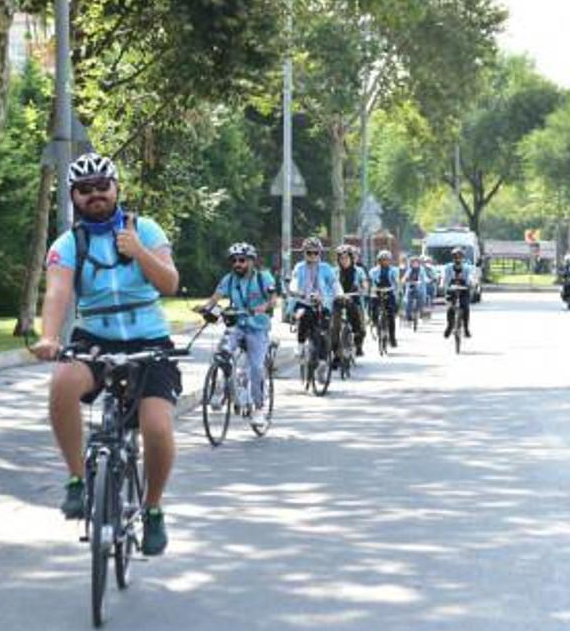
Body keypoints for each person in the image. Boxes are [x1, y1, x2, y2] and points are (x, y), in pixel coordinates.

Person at [29, 152, 180, 556]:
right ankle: (78, 479)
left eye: (102, 186)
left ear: (116, 189)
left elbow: (170, 283)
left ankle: (152, 510)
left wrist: (139, 251)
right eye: (85, 189)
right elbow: (58, 292)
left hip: (150, 341)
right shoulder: (68, 243)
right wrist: (48, 337)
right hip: (94, 339)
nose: (95, 194)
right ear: (74, 196)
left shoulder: (145, 229)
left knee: (156, 427)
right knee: (62, 383)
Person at [198, 243, 276, 428]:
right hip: (237, 325)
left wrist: (262, 308)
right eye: (234, 260)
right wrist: (206, 309)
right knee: (221, 352)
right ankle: (220, 389)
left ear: (251, 261)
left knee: (256, 367)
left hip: (257, 328)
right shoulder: (229, 279)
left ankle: (258, 409)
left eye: (242, 260)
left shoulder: (263, 277)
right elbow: (215, 299)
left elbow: (273, 299)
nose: (237, 264)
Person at [290, 237, 340, 356]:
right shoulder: (299, 267)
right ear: (304, 253)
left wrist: (338, 294)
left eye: (315, 252)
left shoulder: (326, 267)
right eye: (309, 252)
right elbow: (294, 280)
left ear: (320, 253)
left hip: (323, 303)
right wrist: (295, 290)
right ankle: (300, 345)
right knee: (303, 316)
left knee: (324, 330)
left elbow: (334, 283)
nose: (312, 255)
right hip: (303, 302)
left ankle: (324, 361)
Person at [331, 244, 368, 358]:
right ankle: (336, 354)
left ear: (351, 259)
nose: (344, 261)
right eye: (341, 258)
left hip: (354, 299)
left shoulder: (359, 271)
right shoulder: (334, 271)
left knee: (360, 324)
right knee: (334, 326)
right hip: (338, 300)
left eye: (347, 258)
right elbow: (328, 284)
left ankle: (358, 345)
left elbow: (364, 282)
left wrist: (364, 288)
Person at [368, 250, 400, 348]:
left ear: (390, 261)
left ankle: (392, 338)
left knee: (390, 315)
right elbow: (371, 282)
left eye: (387, 260)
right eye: (382, 260)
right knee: (373, 308)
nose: (384, 262)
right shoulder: (373, 271)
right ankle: (375, 323)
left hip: (389, 291)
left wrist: (396, 288)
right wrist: (372, 289)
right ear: (379, 261)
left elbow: (396, 282)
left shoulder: (394, 270)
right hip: (376, 291)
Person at [441, 246, 474, 339]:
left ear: (462, 258)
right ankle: (449, 326)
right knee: (450, 308)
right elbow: (445, 278)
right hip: (451, 290)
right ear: (453, 258)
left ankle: (466, 328)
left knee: (465, 307)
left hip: (464, 289)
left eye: (459, 257)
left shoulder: (467, 268)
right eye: (455, 256)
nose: (457, 259)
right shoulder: (448, 267)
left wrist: (470, 283)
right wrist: (443, 284)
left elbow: (470, 278)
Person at [401, 255, 429, 322]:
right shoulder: (409, 270)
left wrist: (427, 280)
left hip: (420, 289)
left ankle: (420, 313)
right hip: (410, 288)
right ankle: (408, 316)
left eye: (416, 262)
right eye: (413, 262)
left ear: (419, 263)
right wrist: (404, 280)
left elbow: (425, 277)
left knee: (422, 300)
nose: (415, 264)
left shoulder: (421, 270)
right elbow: (405, 278)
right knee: (408, 302)